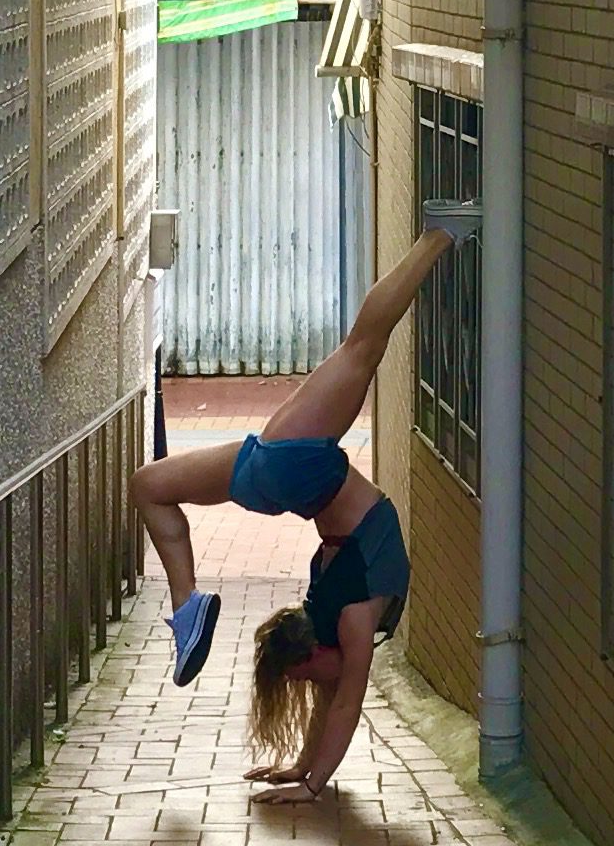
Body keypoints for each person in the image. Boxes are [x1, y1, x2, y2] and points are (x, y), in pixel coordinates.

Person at [133, 216, 472, 802]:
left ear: (311, 654)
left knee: (364, 347)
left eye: (298, 676)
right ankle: (439, 236)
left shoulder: (341, 619)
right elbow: (343, 699)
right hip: (290, 475)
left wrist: (310, 780)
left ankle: (440, 235)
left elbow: (339, 700)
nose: (308, 688)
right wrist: (305, 776)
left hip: (298, 470)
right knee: (361, 347)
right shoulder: (344, 622)